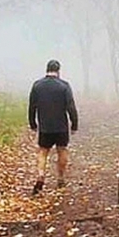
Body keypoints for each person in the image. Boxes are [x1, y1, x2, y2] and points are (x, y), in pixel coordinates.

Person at [28, 59, 78, 195]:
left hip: (45, 127)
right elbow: (71, 106)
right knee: (62, 150)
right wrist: (74, 124)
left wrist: (33, 123)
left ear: (47, 69)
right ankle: (61, 178)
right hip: (61, 126)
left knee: (43, 152)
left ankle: (40, 175)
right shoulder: (64, 86)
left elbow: (32, 107)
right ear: (58, 71)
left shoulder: (37, 86)